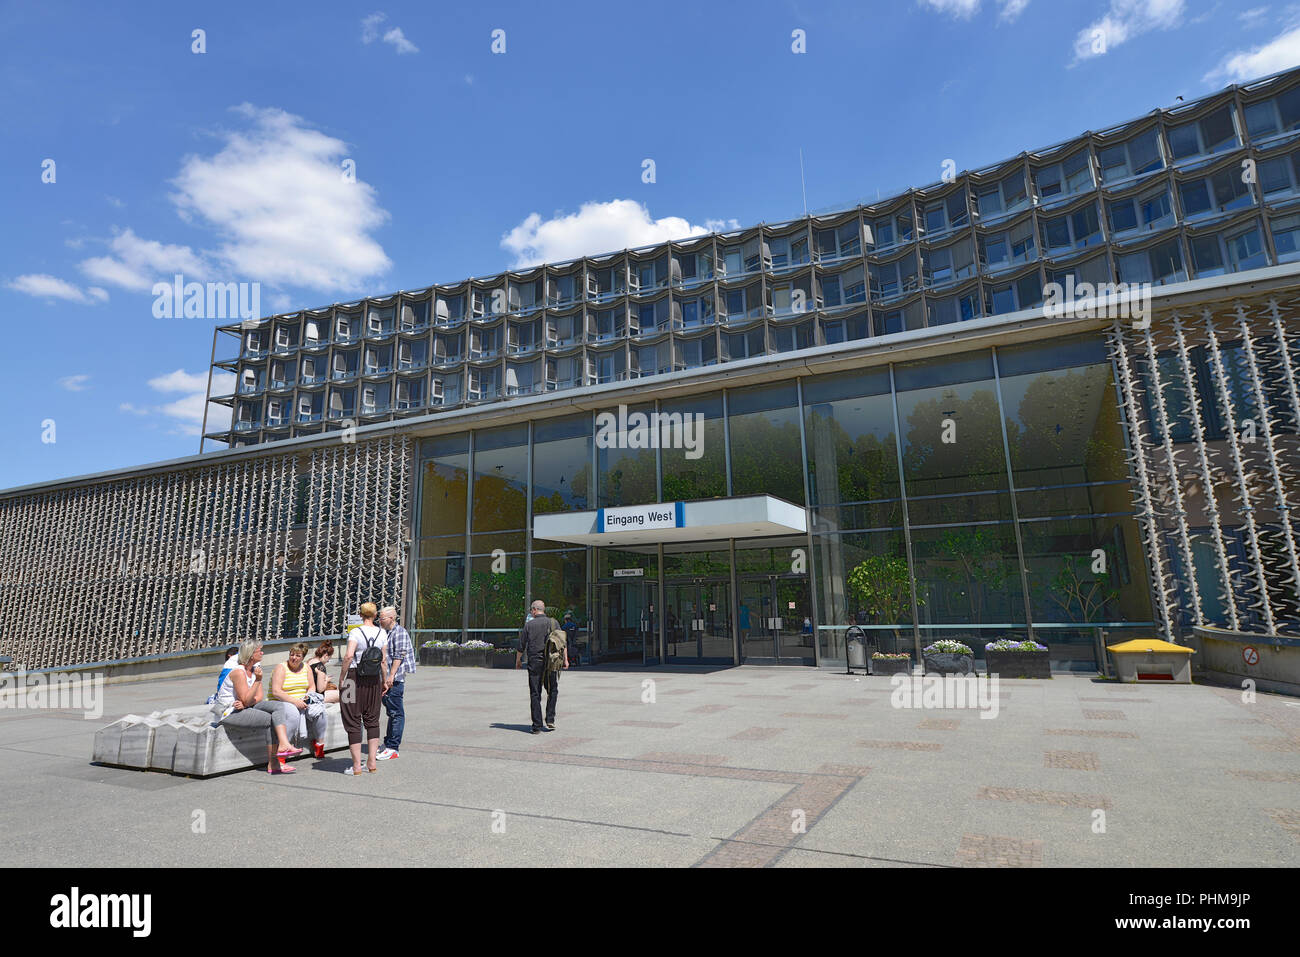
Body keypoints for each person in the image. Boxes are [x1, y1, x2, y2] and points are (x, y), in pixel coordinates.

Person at [212, 639, 303, 774]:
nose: (262, 652)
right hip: (228, 712)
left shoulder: (255, 669)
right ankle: (274, 763)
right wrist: (257, 681)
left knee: (278, 707)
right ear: (250, 654)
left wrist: (246, 701)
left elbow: (259, 697)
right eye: (259, 651)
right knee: (269, 719)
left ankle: (283, 744)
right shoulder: (239, 672)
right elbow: (247, 699)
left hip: (243, 707)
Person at [338, 602, 389, 775]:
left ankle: (357, 766)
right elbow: (383, 660)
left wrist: (341, 678)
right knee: (372, 719)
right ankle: (372, 762)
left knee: (352, 719)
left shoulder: (355, 632)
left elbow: (349, 656)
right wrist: (384, 680)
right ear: (375, 616)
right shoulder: (382, 633)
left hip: (353, 678)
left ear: (361, 615)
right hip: (374, 679)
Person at [515, 599, 567, 733]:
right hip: (551, 662)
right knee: (552, 690)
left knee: (535, 693)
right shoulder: (553, 622)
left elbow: (521, 646)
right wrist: (566, 660)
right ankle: (550, 719)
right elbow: (562, 642)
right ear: (543, 609)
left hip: (535, 662)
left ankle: (537, 726)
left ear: (534, 610)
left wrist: (518, 661)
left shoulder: (529, 625)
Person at [271, 642, 329, 760]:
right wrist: (295, 702)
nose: (294, 658)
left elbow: (312, 686)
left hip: (303, 700)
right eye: (292, 654)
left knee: (320, 711)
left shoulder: (306, 667)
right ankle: (282, 748)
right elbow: (276, 692)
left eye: (297, 656)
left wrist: (308, 697)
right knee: (293, 713)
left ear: (303, 657)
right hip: (282, 701)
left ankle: (319, 745)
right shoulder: (281, 668)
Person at [376, 605, 414, 760]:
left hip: (395, 679)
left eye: (382, 617)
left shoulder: (399, 632)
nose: (380, 620)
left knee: (396, 712)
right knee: (391, 711)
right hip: (386, 678)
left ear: (391, 618)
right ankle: (388, 743)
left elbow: (399, 656)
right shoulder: (386, 633)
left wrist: (391, 676)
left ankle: (393, 747)